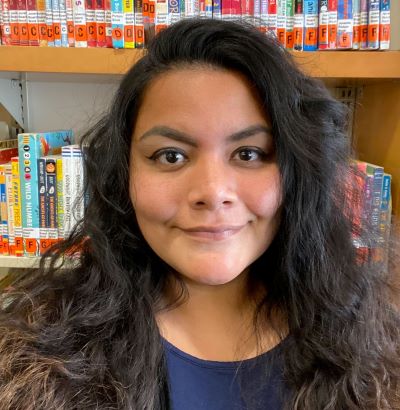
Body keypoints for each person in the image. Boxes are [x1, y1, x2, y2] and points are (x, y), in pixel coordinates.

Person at [0, 18, 399, 410]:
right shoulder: (38, 352)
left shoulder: (374, 341)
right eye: (170, 156)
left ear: (297, 175)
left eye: (249, 154)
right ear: (123, 177)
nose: (212, 192)